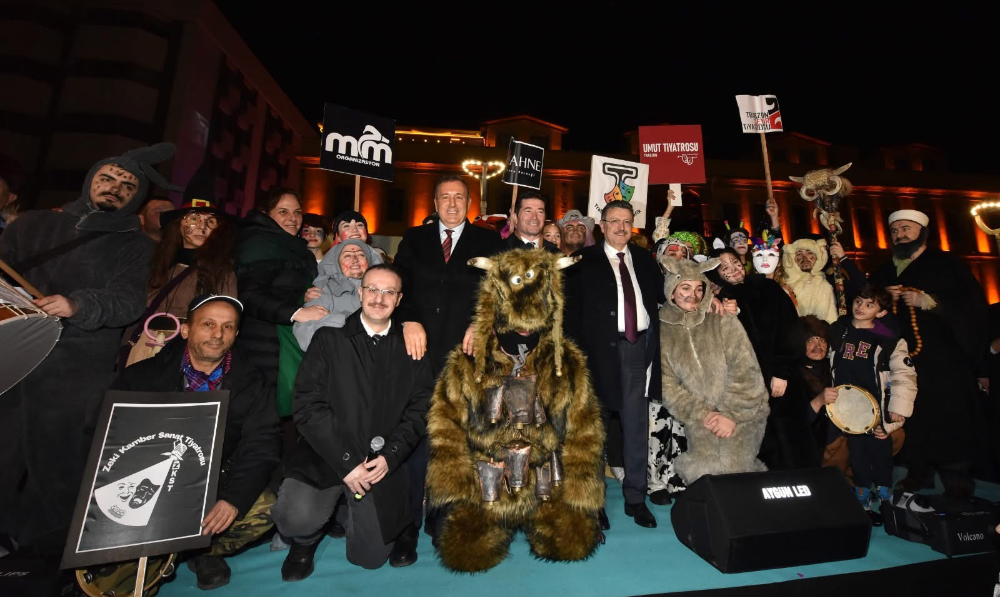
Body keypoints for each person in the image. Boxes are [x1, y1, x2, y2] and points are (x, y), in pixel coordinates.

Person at [0, 143, 175, 552]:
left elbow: (128, 301)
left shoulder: (136, 246)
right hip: (12, 356)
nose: (115, 188)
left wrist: (77, 304)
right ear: (90, 180)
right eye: (108, 178)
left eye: (128, 185)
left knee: (57, 468)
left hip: (74, 367)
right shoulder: (31, 226)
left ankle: (44, 554)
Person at [426, 249, 605, 572]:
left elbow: (585, 430)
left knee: (572, 544)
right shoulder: (469, 360)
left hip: (547, 482)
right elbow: (445, 425)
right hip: (487, 483)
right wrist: (457, 486)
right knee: (466, 554)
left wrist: (582, 495)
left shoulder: (567, 363)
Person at [273, 264, 432, 578]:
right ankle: (304, 543)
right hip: (326, 453)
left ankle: (344, 510)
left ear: (399, 300)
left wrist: (391, 456)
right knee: (295, 516)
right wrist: (346, 462)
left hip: (379, 461)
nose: (379, 298)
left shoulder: (412, 348)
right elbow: (307, 407)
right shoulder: (328, 340)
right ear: (360, 293)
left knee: (370, 558)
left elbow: (419, 411)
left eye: (388, 292)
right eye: (372, 289)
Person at [112, 294, 280, 590]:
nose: (218, 334)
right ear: (187, 329)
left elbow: (262, 444)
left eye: (228, 327)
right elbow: (106, 441)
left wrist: (232, 500)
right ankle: (159, 555)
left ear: (236, 334)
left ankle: (202, 552)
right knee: (121, 582)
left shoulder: (252, 383)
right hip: (147, 484)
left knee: (266, 507)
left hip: (214, 482)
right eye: (208, 324)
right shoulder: (140, 378)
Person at [392, 174, 504, 548]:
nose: (452, 204)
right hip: (416, 353)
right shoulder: (413, 238)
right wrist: (407, 318)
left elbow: (498, 292)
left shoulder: (488, 241)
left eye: (459, 197)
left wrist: (482, 322)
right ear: (435, 202)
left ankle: (442, 514)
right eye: (445, 197)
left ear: (469, 203)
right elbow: (398, 286)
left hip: (464, 356)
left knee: (454, 438)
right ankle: (406, 523)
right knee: (414, 434)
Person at [871, 209, 988, 499]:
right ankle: (918, 474)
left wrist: (931, 302)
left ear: (922, 231)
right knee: (913, 415)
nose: (901, 235)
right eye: (896, 230)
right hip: (904, 360)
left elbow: (973, 308)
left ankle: (957, 480)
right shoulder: (885, 270)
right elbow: (869, 306)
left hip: (944, 358)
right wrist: (884, 297)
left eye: (907, 229)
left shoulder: (948, 265)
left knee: (950, 416)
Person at [564, 200, 664, 529]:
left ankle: (636, 498)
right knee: (596, 429)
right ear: (602, 226)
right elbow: (570, 315)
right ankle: (594, 503)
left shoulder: (647, 261)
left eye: (627, 222)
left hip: (638, 350)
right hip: (596, 355)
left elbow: (666, 298)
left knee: (637, 426)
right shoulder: (583, 262)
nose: (621, 227)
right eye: (614, 221)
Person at [658, 257, 770, 484]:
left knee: (736, 473)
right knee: (702, 474)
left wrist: (730, 415)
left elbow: (746, 370)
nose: (694, 295)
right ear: (671, 291)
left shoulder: (720, 319)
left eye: (700, 288)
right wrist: (704, 414)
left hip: (744, 412)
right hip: (702, 418)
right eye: (685, 288)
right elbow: (667, 385)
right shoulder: (662, 330)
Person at [119, 174, 237, 369]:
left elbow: (225, 320)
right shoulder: (153, 261)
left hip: (191, 352)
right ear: (179, 223)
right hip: (145, 345)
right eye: (193, 218)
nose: (202, 227)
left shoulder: (223, 272)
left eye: (211, 221)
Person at [712, 248, 807, 470]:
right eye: (724, 267)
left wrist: (782, 372)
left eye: (735, 262)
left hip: (780, 380)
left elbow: (790, 329)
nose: (733, 269)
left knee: (789, 443)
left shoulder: (768, 287)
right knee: (757, 445)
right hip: (746, 388)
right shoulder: (717, 300)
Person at [234, 187, 324, 420]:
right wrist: (295, 312)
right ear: (267, 213)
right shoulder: (261, 243)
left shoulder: (288, 245)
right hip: (263, 342)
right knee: (263, 415)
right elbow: (250, 295)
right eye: (283, 211)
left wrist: (303, 296)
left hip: (283, 335)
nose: (292, 219)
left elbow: (284, 286)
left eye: (297, 212)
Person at [828, 285, 917, 511]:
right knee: (857, 451)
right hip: (850, 406)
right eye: (858, 301)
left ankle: (884, 487)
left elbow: (904, 375)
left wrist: (898, 409)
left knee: (880, 448)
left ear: (881, 312)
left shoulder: (888, 340)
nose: (861, 307)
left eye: (870, 305)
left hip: (878, 405)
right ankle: (862, 489)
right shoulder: (841, 332)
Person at [293, 239, 383, 350]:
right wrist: (348, 320)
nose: (354, 260)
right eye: (347, 256)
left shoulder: (385, 291)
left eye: (361, 255)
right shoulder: (323, 291)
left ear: (369, 261)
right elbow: (306, 336)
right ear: (336, 264)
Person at [781, 237, 838, 323]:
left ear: (817, 257)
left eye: (809, 253)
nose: (804, 258)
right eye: (799, 254)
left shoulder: (824, 286)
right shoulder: (785, 285)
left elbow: (832, 319)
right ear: (792, 258)